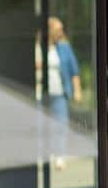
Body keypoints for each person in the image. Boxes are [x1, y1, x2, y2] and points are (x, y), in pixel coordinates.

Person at [35, 16, 82, 170]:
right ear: (50, 31)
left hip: (59, 92)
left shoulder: (64, 47)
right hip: (40, 93)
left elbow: (73, 70)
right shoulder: (37, 47)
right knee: (41, 126)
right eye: (58, 29)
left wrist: (77, 90)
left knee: (60, 125)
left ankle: (59, 156)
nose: (61, 32)